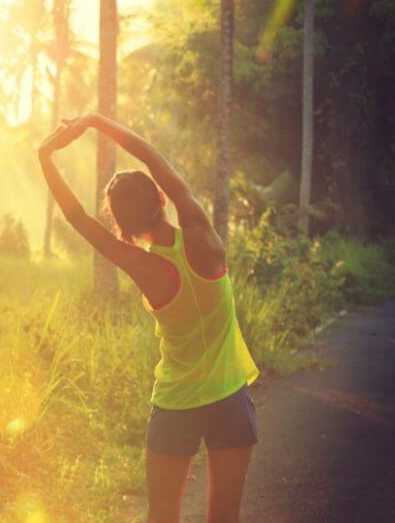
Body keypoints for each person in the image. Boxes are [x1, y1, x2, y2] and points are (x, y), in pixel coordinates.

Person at [37, 113, 260, 523]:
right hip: (229, 396)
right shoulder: (201, 232)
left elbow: (79, 220)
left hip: (177, 405)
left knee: (161, 516)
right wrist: (95, 121)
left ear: (122, 228)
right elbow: (155, 159)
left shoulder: (142, 267)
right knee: (225, 516)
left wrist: (45, 156)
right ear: (162, 198)